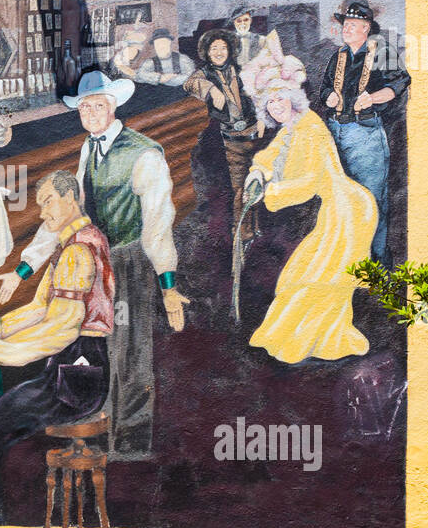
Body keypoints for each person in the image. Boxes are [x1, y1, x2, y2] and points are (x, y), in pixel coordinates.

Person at [0, 70, 189, 459]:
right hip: (93, 261)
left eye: (97, 105)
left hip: (128, 262)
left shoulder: (145, 153)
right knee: (92, 345)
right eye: (84, 107)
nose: (90, 113)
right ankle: (97, 422)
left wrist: (168, 286)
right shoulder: (89, 148)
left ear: (113, 107)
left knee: (129, 349)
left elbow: (158, 225)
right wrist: (23, 269)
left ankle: (131, 444)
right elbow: (69, 213)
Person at [0, 171, 114, 528]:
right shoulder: (76, 243)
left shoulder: (76, 253)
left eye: (48, 202)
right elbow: (42, 307)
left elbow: (61, 328)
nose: (42, 214)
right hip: (73, 370)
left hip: (75, 378)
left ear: (71, 198)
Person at [240, 48, 377, 363]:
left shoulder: (309, 126)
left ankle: (315, 343)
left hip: (348, 210)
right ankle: (301, 340)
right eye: (269, 102)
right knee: (303, 276)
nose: (276, 106)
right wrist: (257, 172)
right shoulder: (292, 127)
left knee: (322, 280)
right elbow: (270, 155)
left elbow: (311, 182)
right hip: (335, 209)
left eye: (280, 99)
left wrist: (269, 193)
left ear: (292, 99)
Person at [318, 0, 410, 264]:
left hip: (365, 134)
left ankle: (378, 262)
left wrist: (373, 97)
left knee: (371, 199)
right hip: (337, 131)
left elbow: (400, 82)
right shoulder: (339, 55)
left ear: (367, 27)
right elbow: (324, 87)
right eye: (345, 23)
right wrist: (328, 97)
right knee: (342, 200)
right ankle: (350, 260)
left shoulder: (381, 50)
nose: (347, 28)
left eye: (353, 24)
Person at [183, 28, 268, 244]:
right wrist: (211, 89)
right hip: (229, 140)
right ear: (207, 53)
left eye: (223, 47)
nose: (219, 52)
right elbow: (189, 83)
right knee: (239, 188)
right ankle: (242, 233)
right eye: (214, 48)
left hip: (253, 135)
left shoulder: (241, 70)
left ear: (230, 50)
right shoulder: (204, 74)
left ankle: (255, 226)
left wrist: (261, 117)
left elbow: (258, 92)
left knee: (258, 182)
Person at [122, 27, 192, 85]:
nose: (160, 47)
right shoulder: (150, 62)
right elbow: (140, 74)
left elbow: (191, 75)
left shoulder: (182, 59)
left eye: (163, 43)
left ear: (169, 43)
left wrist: (171, 79)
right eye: (157, 44)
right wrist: (159, 78)